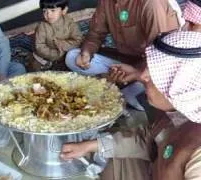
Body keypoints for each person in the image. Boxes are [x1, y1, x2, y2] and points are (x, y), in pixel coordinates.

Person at [61, 31, 201, 180]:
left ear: (179, 87)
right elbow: (149, 139)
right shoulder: (178, 110)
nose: (142, 77)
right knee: (102, 157)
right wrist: (90, 145)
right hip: (155, 168)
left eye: (156, 73)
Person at [64, 0, 183, 110]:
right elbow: (95, 34)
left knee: (157, 94)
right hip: (125, 61)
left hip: (154, 67)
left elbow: (164, 56)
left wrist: (136, 73)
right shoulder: (107, 2)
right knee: (72, 57)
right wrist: (87, 53)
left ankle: (128, 87)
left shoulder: (152, 4)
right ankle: (125, 86)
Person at [29, 0, 83, 71]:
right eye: (45, 11)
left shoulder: (70, 24)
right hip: (45, 57)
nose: (48, 15)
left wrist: (63, 44)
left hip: (65, 54)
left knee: (76, 66)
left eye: (53, 10)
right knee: (38, 72)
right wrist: (55, 55)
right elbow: (39, 47)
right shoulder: (41, 26)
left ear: (64, 10)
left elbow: (78, 40)